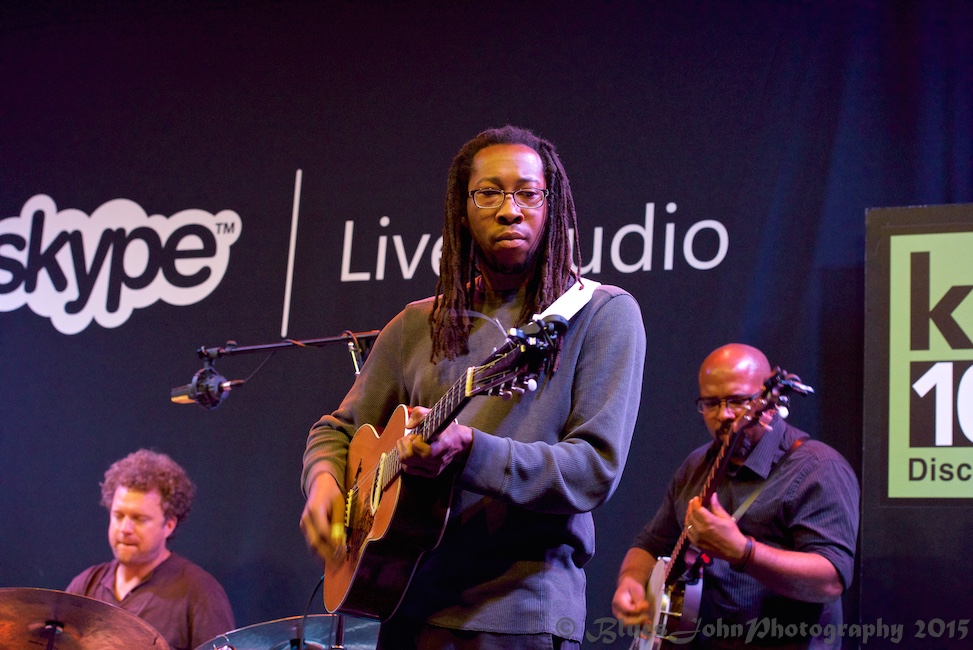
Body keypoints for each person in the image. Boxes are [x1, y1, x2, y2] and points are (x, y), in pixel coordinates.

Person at [300, 125, 646, 649]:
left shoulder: (601, 314)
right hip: (405, 611)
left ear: (551, 206)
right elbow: (337, 430)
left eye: (528, 193)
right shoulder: (419, 324)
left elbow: (593, 469)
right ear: (462, 210)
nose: (511, 209)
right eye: (489, 193)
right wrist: (324, 484)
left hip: (521, 615)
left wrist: (471, 451)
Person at [612, 344, 859, 649]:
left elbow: (831, 580)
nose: (724, 415)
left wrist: (743, 552)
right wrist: (631, 582)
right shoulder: (696, 466)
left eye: (738, 401)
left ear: (769, 403)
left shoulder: (818, 468)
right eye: (711, 404)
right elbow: (651, 543)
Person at [67, 449, 235, 650]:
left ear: (169, 524)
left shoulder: (200, 592)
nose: (125, 529)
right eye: (119, 516)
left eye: (139, 519)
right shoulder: (85, 586)